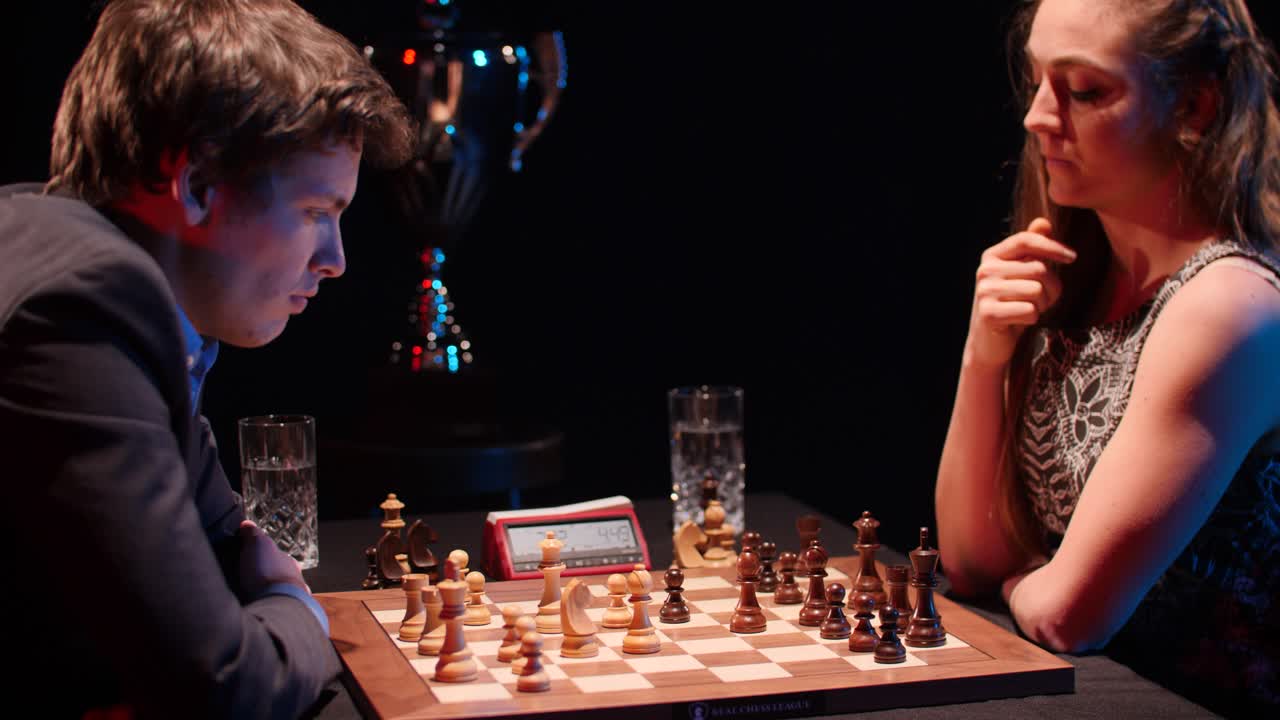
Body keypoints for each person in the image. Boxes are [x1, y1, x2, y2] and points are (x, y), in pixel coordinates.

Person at [0, 1, 412, 718]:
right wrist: (298, 613)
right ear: (195, 187)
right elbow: (222, 685)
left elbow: (225, 557)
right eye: (317, 211)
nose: (335, 261)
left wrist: (261, 608)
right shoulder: (77, 313)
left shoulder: (96, 281)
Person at [934, 0, 1280, 715]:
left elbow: (1067, 615)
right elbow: (969, 561)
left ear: (1193, 107)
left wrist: (1034, 578)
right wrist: (983, 355)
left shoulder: (1230, 305)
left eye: (1084, 91)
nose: (1036, 117)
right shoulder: (1079, 273)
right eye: (1035, 80)